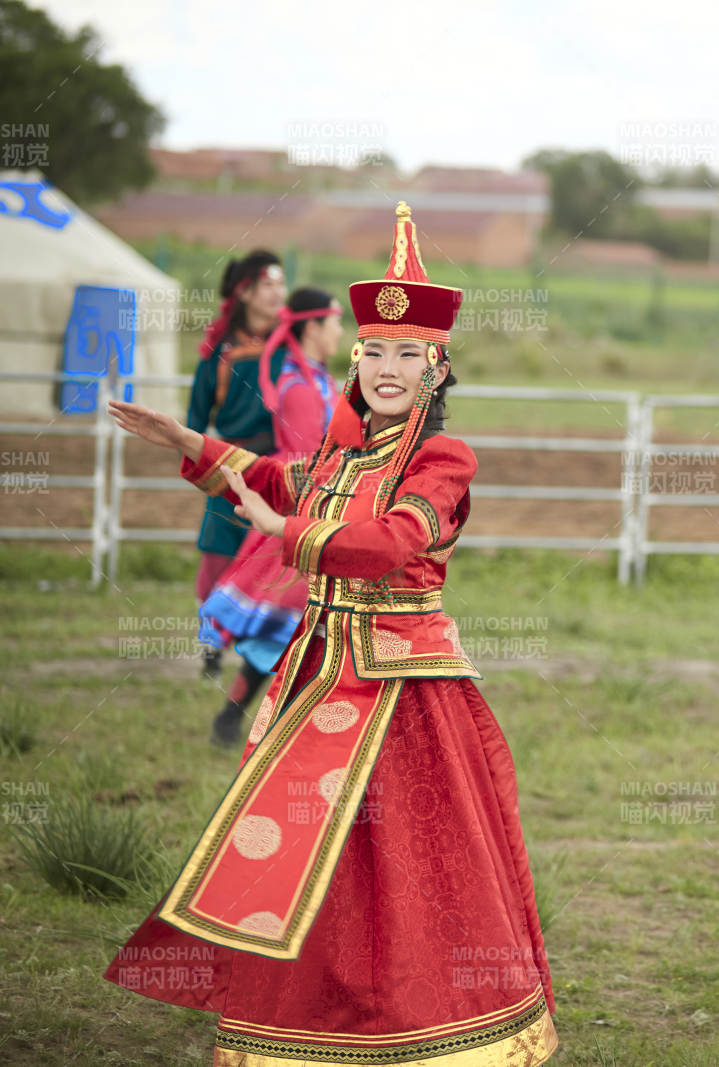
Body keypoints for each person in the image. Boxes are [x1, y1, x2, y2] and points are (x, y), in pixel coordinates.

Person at [103, 203, 558, 1065]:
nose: (388, 368)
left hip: (402, 689)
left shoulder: (442, 461)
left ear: (436, 367)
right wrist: (189, 440)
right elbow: (278, 477)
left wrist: (287, 532)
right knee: (309, 852)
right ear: (356, 358)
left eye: (407, 355)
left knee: (409, 864)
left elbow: (391, 543)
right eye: (375, 350)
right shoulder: (340, 455)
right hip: (318, 675)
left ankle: (428, 1024)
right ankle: (311, 1017)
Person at [200, 287, 343, 747]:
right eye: (336, 322)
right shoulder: (300, 388)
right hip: (303, 518)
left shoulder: (320, 379)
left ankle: (248, 722)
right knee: (290, 629)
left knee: (300, 631)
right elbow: (308, 464)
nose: (341, 332)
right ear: (313, 326)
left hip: (317, 515)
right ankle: (238, 720)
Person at [187, 250, 288, 680]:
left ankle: (264, 654)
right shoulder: (220, 349)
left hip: (281, 468)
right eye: (268, 285)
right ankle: (211, 649)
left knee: (275, 559)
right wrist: (199, 461)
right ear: (245, 292)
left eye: (281, 285)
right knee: (218, 556)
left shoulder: (292, 343)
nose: (278, 293)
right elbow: (196, 415)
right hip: (230, 467)